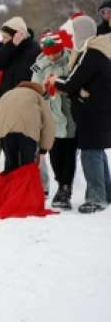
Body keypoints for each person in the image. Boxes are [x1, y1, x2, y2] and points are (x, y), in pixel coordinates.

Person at [54, 15, 111, 214]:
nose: (71, 37)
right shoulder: (102, 50)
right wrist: (77, 90)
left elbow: (71, 81)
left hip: (92, 111)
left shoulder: (92, 52)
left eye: (73, 33)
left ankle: (97, 198)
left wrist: (55, 81)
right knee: (97, 151)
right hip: (100, 109)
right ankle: (106, 193)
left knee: (89, 152)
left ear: (81, 33)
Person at [31, 30, 76, 209]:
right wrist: (42, 89)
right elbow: (34, 90)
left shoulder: (72, 59)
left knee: (69, 155)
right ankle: (61, 184)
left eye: (55, 53)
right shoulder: (39, 65)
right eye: (48, 54)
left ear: (61, 49)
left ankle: (65, 189)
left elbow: (77, 81)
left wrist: (61, 85)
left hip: (71, 116)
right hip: (51, 119)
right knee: (55, 156)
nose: (52, 57)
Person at [0, 82, 54, 176]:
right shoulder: (38, 96)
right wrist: (43, 150)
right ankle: (24, 188)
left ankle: (12, 188)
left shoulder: (6, 96)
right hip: (28, 132)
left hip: (5, 133)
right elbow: (48, 124)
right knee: (27, 166)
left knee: (11, 166)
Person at [0, 17, 40, 103]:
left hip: (26, 99)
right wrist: (11, 45)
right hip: (6, 98)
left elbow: (38, 72)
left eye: (5, 37)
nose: (3, 40)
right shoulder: (6, 48)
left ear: (17, 35)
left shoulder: (34, 50)